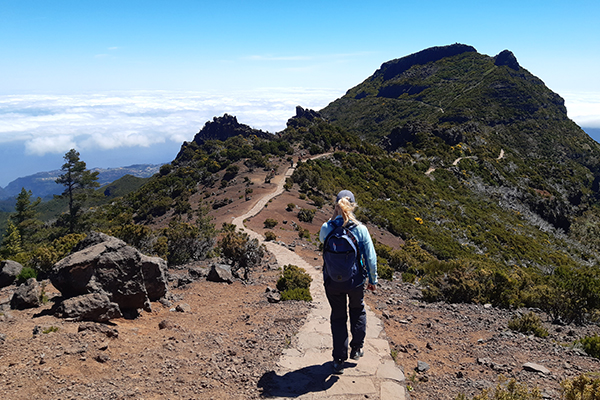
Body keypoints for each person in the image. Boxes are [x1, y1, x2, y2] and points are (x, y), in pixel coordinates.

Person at [320, 189, 377, 374]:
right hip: (355, 281)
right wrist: (372, 279)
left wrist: (332, 219)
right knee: (357, 309)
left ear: (336, 205)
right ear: (352, 206)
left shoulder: (326, 228)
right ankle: (357, 348)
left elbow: (322, 241)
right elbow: (371, 258)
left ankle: (338, 358)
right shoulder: (360, 229)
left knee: (338, 316)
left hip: (332, 282)